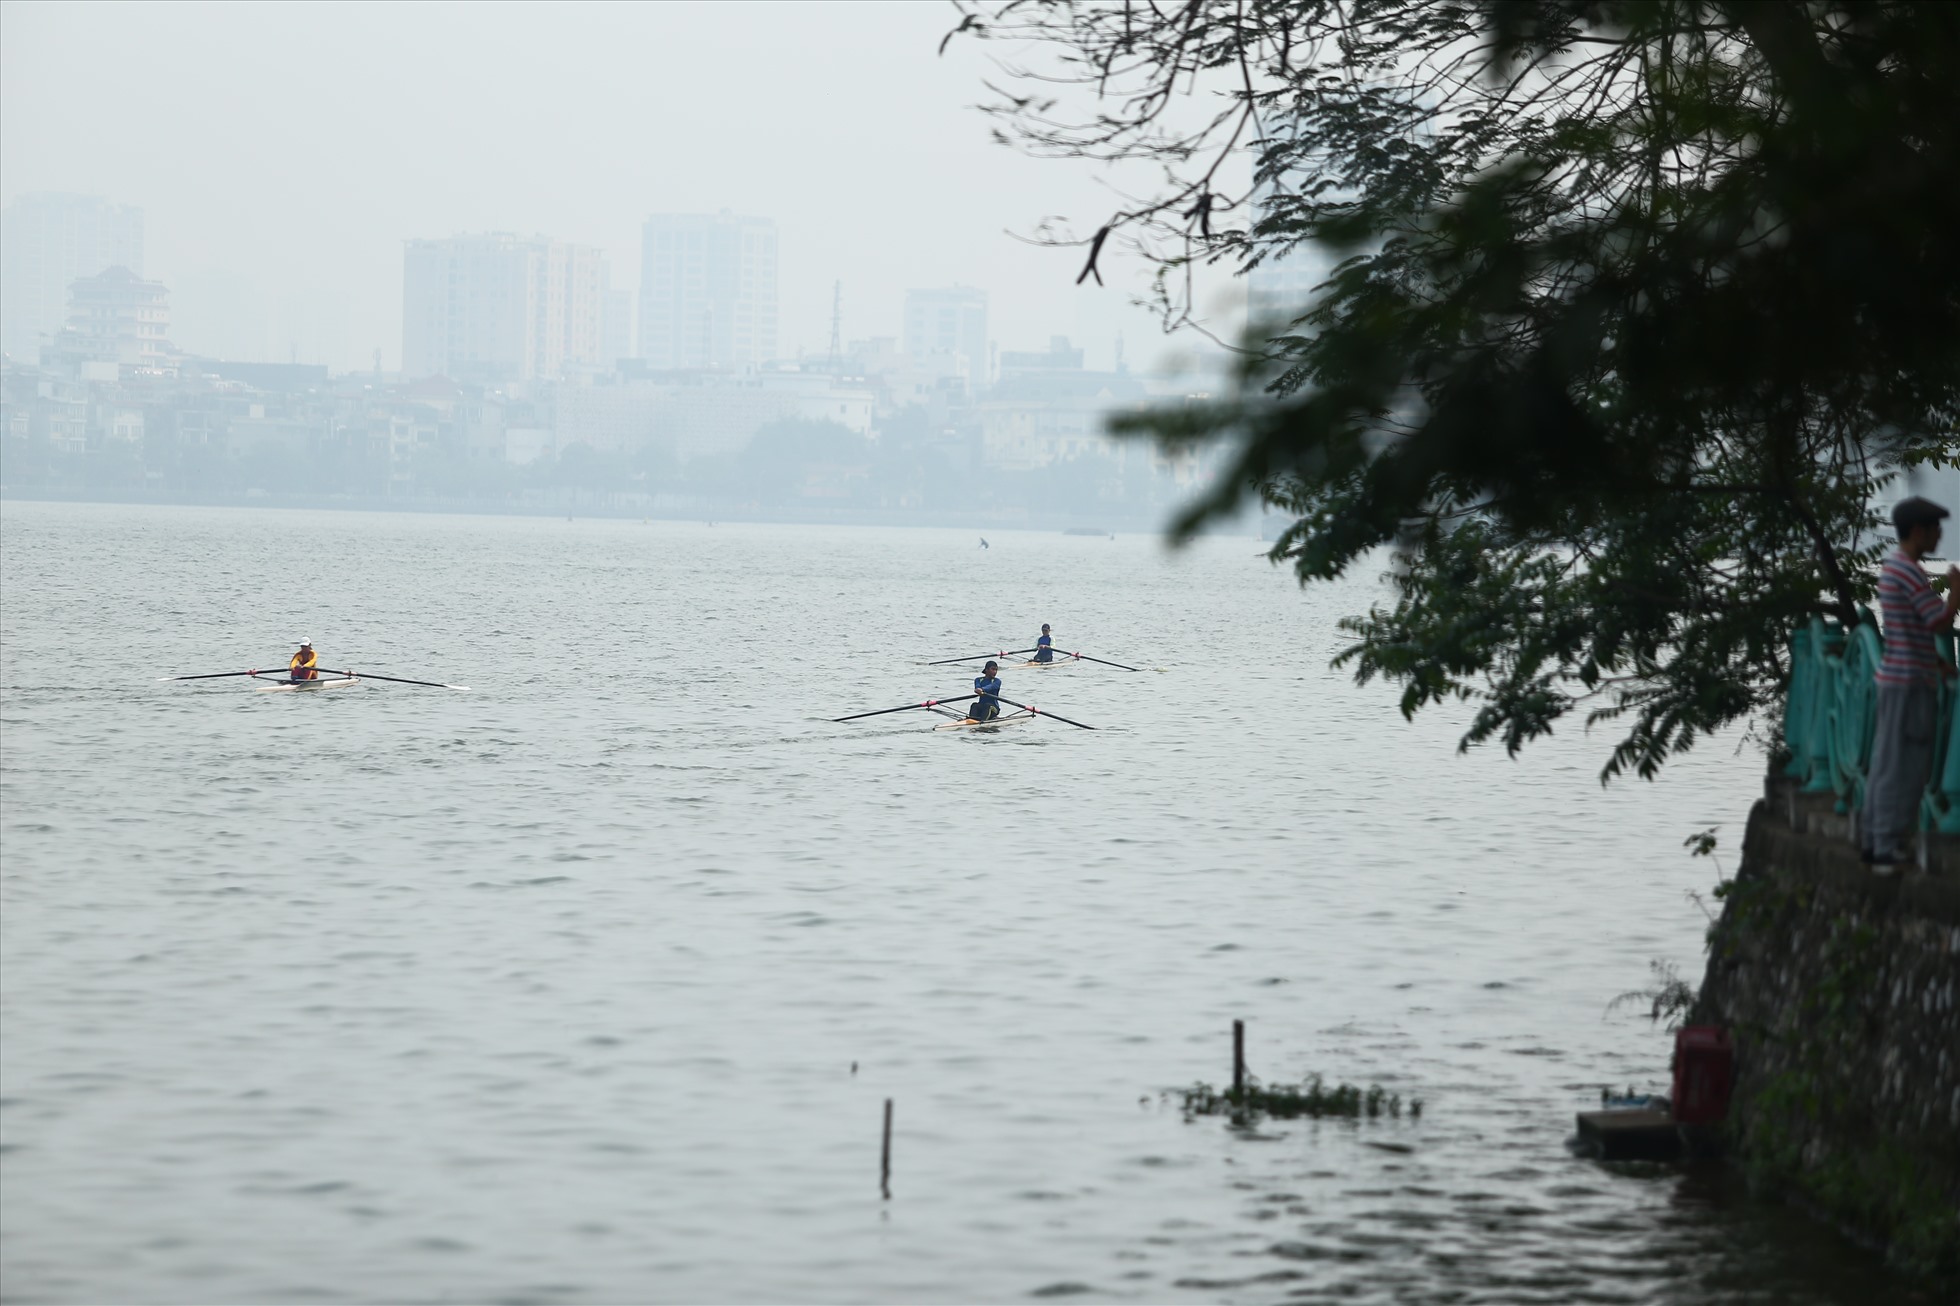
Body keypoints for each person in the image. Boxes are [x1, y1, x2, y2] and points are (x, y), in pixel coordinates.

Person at [1862, 497, 1960, 869]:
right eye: (1936, 528)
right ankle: (1885, 849)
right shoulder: (1908, 571)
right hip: (1908, 686)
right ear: (1919, 531)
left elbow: (1907, 631)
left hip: (1898, 677)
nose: (1939, 535)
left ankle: (1875, 841)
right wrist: (1956, 590)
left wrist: (1938, 662)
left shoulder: (1894, 568)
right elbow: (1937, 621)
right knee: (1901, 766)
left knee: (1886, 762)